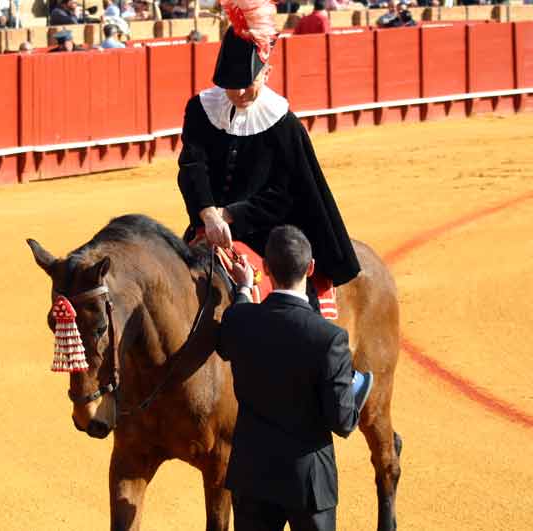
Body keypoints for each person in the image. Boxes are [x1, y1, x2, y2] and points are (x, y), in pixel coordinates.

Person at [177, 0, 360, 316]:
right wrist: (208, 214)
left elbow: (286, 192)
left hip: (268, 231)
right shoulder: (200, 109)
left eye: (248, 84)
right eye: (232, 86)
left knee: (294, 300)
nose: (240, 94)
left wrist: (229, 214)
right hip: (208, 225)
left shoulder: (283, 123)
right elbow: (193, 166)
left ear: (268, 72)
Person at [218, 225, 373, 531]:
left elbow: (233, 330)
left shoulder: (239, 321)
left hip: (252, 477)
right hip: (309, 483)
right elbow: (342, 422)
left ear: (266, 267)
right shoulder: (329, 339)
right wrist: (357, 392)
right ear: (311, 267)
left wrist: (244, 289)